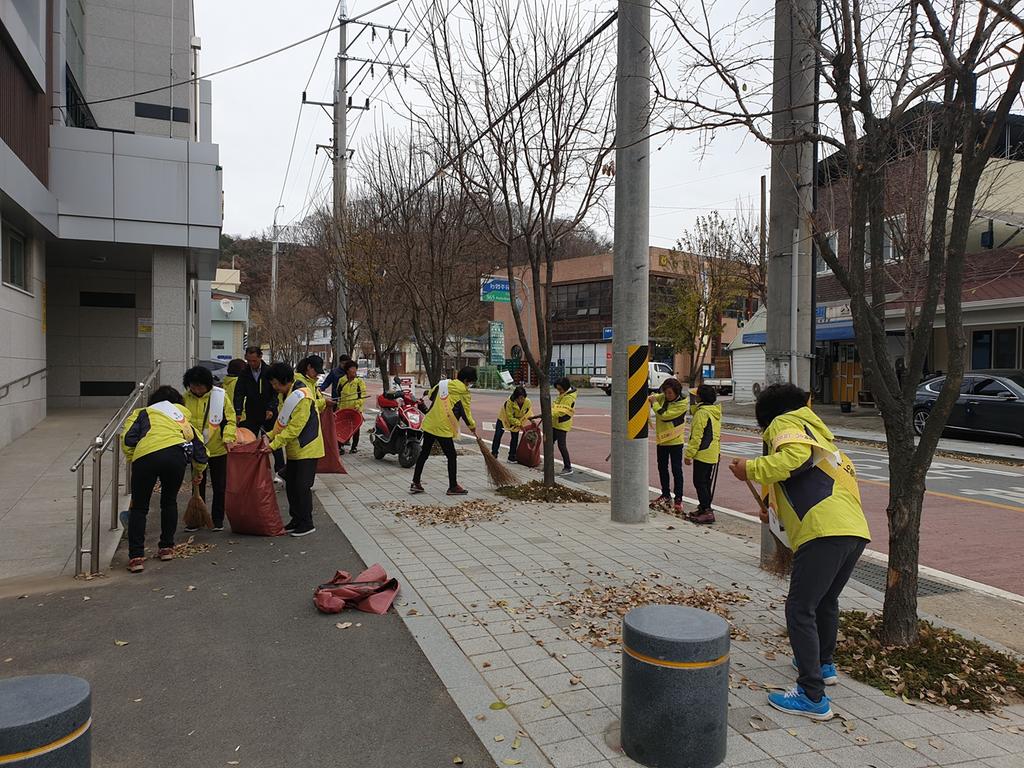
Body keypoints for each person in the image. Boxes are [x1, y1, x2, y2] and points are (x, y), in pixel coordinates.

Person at [728, 383, 870, 721]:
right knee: (824, 602)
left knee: (799, 608)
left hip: (822, 532)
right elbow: (806, 483)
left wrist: (749, 469)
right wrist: (771, 511)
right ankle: (824, 664)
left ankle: (811, 694)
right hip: (853, 531)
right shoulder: (829, 446)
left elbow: (794, 458)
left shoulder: (784, 423)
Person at [121, 385, 208, 573]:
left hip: (146, 457)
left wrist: (134, 458)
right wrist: (198, 471)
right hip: (175, 457)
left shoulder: (143, 413)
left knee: (139, 507)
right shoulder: (181, 417)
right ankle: (167, 547)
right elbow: (199, 446)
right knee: (169, 502)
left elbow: (128, 439)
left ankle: (136, 556)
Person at [262, 362, 325, 537]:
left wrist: (273, 445)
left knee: (302, 487)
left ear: (285, 380)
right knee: (291, 486)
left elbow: (294, 428)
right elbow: (281, 423)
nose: (274, 387)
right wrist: (269, 435)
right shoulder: (286, 394)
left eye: (275, 383)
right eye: (272, 383)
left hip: (308, 447)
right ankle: (296, 519)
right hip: (294, 449)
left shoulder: (302, 396)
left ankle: (307, 523)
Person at [182, 366, 237, 532]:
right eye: (193, 385)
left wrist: (228, 438)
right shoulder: (185, 398)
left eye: (200, 386)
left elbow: (230, 420)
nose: (197, 389)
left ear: (208, 385)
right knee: (198, 483)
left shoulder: (220, 397)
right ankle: (198, 518)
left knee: (220, 485)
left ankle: (217, 519)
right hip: (196, 450)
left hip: (217, 448)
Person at [411, 366, 477, 495]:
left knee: (424, 453)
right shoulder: (463, 392)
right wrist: (472, 426)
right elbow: (466, 413)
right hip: (443, 427)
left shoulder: (443, 384)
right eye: (470, 382)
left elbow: (431, 395)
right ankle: (453, 486)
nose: (469, 385)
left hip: (430, 423)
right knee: (451, 455)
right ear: (465, 380)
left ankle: (416, 482)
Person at [236, 345, 284, 481]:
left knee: (274, 441)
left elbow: (276, 393)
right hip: (251, 412)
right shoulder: (244, 373)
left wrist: (271, 408)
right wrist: (238, 411)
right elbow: (238, 393)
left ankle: (280, 471)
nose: (251, 364)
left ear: (260, 357)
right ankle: (248, 471)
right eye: (249, 361)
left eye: (254, 361)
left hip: (269, 412)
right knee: (247, 441)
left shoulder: (269, 372)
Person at [649, 378, 688, 512]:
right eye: (666, 393)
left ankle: (678, 498)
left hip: (675, 440)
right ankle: (665, 494)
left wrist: (654, 403)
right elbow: (653, 397)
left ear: (677, 392)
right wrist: (653, 398)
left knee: (676, 469)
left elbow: (664, 415)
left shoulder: (682, 403)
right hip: (662, 440)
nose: (667, 395)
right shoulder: (664, 397)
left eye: (670, 393)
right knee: (662, 467)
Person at [685, 384, 722, 524]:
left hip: (702, 452)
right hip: (712, 452)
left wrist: (689, 454)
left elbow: (696, 436)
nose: (695, 397)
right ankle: (703, 508)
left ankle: (707, 511)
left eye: (697, 395)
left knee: (699, 482)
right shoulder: (714, 411)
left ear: (700, 397)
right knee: (706, 482)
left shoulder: (702, 413)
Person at [492, 386, 532, 463]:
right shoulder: (509, 402)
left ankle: (512, 456)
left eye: (522, 398)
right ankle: (494, 453)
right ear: (515, 397)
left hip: (517, 420)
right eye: (519, 398)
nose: (521, 400)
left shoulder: (528, 402)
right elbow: (509, 417)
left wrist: (532, 420)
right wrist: (519, 424)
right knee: (498, 435)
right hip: (504, 419)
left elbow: (528, 413)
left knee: (515, 437)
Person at [336, 360, 367, 454]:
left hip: (355, 409)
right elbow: (338, 394)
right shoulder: (342, 380)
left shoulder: (359, 382)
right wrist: (338, 406)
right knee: (341, 427)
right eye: (351, 368)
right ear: (347, 370)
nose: (354, 370)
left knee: (356, 428)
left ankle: (354, 447)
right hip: (343, 408)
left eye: (355, 369)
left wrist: (357, 405)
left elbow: (363, 396)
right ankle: (340, 446)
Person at [552, 377, 576, 476]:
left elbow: (561, 412)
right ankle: (549, 464)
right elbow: (555, 405)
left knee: (561, 445)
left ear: (565, 387)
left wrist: (549, 413)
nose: (559, 391)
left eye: (560, 389)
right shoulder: (563, 394)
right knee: (549, 443)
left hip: (562, 424)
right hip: (555, 422)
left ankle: (568, 467)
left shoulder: (569, 397)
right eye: (557, 389)